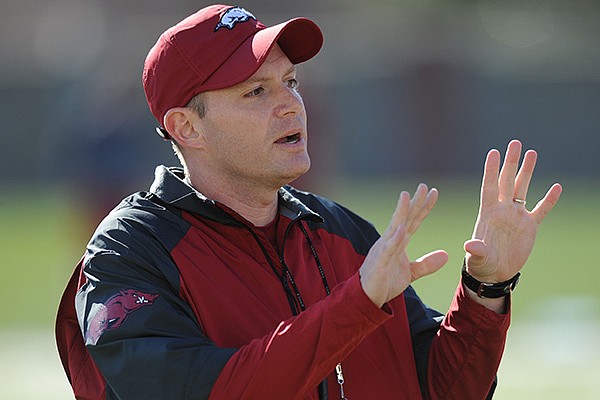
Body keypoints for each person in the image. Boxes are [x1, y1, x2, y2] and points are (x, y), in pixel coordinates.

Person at [55, 4, 562, 400]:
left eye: (290, 82)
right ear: (187, 127)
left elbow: (444, 391)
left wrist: (484, 290)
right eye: (255, 92)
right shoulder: (131, 253)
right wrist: (357, 304)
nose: (290, 104)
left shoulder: (338, 231)